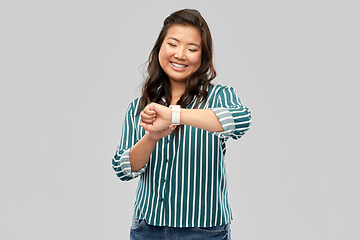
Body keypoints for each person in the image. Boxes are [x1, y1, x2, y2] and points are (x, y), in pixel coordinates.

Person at [112, 8, 251, 240]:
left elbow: (241, 120)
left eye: (192, 48)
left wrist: (175, 115)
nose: (180, 54)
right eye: (173, 44)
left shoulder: (220, 97)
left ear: (203, 56)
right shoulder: (140, 107)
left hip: (204, 230)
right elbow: (124, 169)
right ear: (160, 48)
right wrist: (152, 137)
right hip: (148, 229)